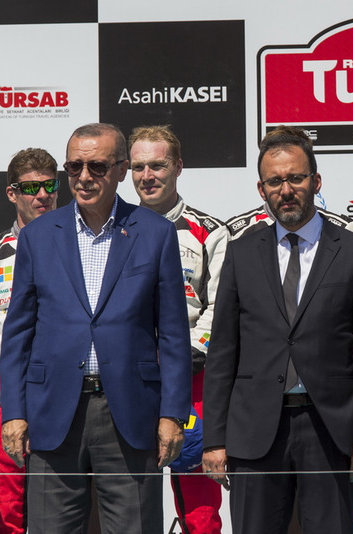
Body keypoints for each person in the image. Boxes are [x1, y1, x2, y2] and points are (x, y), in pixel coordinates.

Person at [0, 123, 192, 533]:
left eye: (97, 166)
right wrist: (14, 413)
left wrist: (173, 414)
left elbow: (174, 335)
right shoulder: (36, 237)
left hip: (130, 414)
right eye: (74, 166)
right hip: (52, 415)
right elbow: (17, 334)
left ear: (122, 169)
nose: (84, 177)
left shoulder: (156, 234)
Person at [202, 126, 353, 533]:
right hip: (254, 433)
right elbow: (222, 354)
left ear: (316, 181)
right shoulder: (240, 252)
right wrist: (214, 439)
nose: (285, 190)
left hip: (331, 431)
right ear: (261, 188)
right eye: (274, 181)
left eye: (296, 178)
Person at [129, 125, 228, 534]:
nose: (147, 175)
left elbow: (221, 305)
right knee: (129, 497)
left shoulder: (211, 231)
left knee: (200, 504)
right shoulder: (109, 228)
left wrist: (191, 352)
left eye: (158, 165)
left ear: (179, 167)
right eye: (138, 167)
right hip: (129, 379)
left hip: (192, 376)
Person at [0, 148, 60, 533]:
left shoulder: (84, 245)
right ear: (12, 193)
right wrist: (0, 378)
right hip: (4, 394)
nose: (43, 195)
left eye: (49, 185)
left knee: (71, 502)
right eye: (31, 187)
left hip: (64, 391)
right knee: (8, 510)